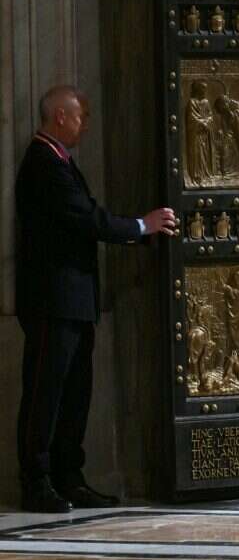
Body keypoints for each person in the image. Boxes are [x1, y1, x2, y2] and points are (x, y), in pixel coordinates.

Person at [15, 86, 177, 513]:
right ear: (60, 117)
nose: (86, 122)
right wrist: (141, 226)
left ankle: (70, 477)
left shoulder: (61, 161)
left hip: (74, 302)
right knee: (45, 394)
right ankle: (37, 481)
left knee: (75, 394)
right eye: (82, 115)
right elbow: (86, 219)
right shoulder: (42, 164)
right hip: (53, 303)